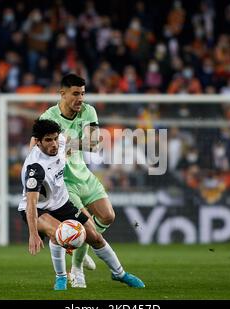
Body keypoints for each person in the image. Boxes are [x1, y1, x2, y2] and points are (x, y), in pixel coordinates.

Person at [19, 119, 145, 290]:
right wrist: (33, 233)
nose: (54, 143)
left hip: (61, 202)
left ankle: (119, 274)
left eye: (55, 138)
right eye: (48, 140)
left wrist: (92, 143)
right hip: (38, 208)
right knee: (58, 234)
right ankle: (62, 278)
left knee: (95, 237)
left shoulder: (61, 142)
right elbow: (31, 204)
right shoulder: (35, 168)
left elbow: (80, 144)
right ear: (38, 142)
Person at [30, 74, 115, 288]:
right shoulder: (48, 117)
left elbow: (94, 144)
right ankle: (76, 269)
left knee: (107, 216)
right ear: (63, 93)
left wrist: (66, 141)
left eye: (83, 94)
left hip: (83, 175)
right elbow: (33, 146)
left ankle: (79, 247)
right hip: (63, 181)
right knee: (86, 227)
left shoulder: (89, 111)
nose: (80, 98)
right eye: (76, 94)